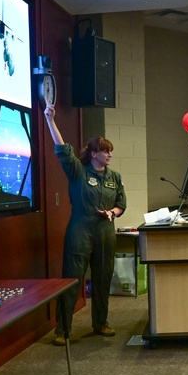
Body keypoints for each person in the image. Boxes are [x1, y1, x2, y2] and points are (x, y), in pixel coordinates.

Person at [44, 107, 127, 343]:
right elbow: (62, 149)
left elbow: (122, 203)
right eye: (105, 151)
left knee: (103, 278)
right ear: (93, 154)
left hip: (105, 231)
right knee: (73, 279)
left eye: (110, 151)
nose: (110, 155)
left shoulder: (115, 177)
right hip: (80, 230)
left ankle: (101, 323)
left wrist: (112, 212)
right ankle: (63, 330)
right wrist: (50, 119)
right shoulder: (77, 171)